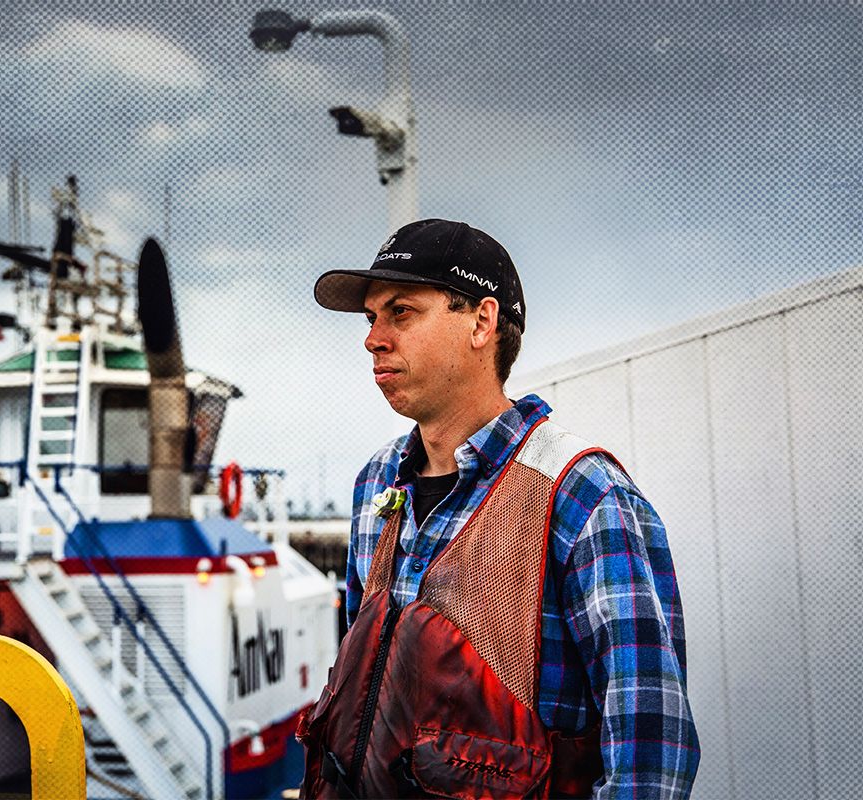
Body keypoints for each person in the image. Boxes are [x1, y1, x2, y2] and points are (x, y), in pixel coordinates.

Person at [297, 219, 699, 799]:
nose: (373, 338)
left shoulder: (582, 495)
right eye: (370, 318)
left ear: (482, 322)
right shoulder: (375, 485)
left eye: (401, 312)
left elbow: (650, 747)